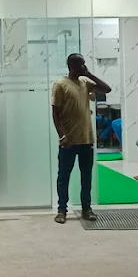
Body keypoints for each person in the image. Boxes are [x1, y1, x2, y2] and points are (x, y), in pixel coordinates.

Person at [51, 53, 112, 224]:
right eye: (81, 64)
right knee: (64, 176)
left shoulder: (85, 82)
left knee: (86, 177)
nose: (84, 67)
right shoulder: (60, 85)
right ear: (73, 66)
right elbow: (55, 113)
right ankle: (61, 210)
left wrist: (89, 74)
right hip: (69, 141)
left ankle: (87, 208)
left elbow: (107, 89)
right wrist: (62, 135)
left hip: (86, 139)